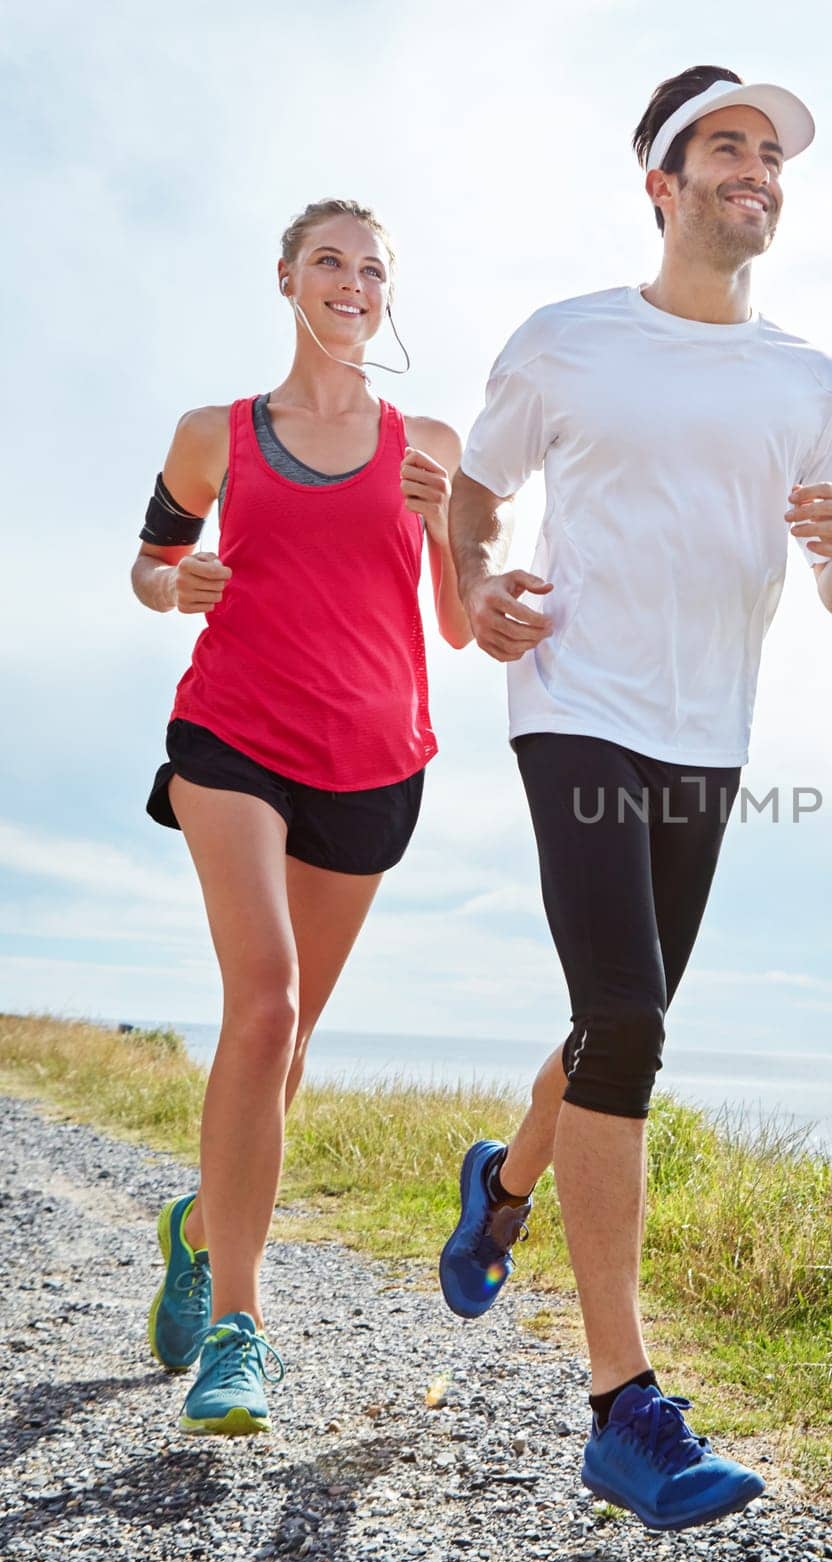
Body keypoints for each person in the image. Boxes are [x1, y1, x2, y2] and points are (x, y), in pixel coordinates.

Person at [437, 66, 832, 1529]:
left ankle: (502, 1185)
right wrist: (474, 594)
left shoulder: (807, 380)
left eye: (772, 153)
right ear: (663, 183)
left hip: (712, 736)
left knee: (610, 1023)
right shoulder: (568, 341)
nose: (756, 168)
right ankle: (624, 1410)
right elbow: (471, 491)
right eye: (726, 147)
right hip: (575, 705)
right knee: (629, 1016)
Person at [133, 198, 471, 1434]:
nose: (351, 281)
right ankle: (241, 1325)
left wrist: (442, 525)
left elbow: (461, 624)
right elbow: (148, 561)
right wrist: (178, 585)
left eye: (371, 268)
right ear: (286, 279)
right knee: (263, 998)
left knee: (291, 1039)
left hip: (372, 759)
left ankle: (195, 1221)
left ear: (388, 296)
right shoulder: (214, 434)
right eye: (328, 261)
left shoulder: (427, 437)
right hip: (233, 733)